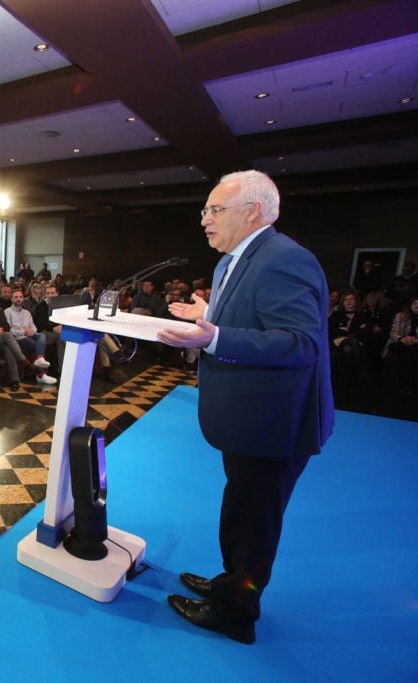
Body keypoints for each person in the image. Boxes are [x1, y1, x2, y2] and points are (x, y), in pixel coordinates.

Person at [158, 170, 334, 645]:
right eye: (205, 210)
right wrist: (208, 315)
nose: (204, 220)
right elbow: (255, 318)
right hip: (250, 419)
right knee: (241, 510)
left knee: (254, 521)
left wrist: (214, 336)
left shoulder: (283, 260)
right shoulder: (235, 259)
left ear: (253, 211)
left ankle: (236, 611)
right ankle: (230, 582)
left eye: (215, 210)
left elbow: (299, 343)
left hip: (275, 423)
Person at [4, 289, 56, 385]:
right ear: (12, 299)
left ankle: (39, 358)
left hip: (30, 335)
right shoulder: (7, 312)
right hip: (18, 339)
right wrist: (23, 332)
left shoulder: (27, 312)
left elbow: (34, 328)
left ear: (23, 298)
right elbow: (8, 330)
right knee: (37, 345)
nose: (18, 299)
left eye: (20, 297)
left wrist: (31, 331)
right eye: (16, 297)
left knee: (42, 335)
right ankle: (41, 375)